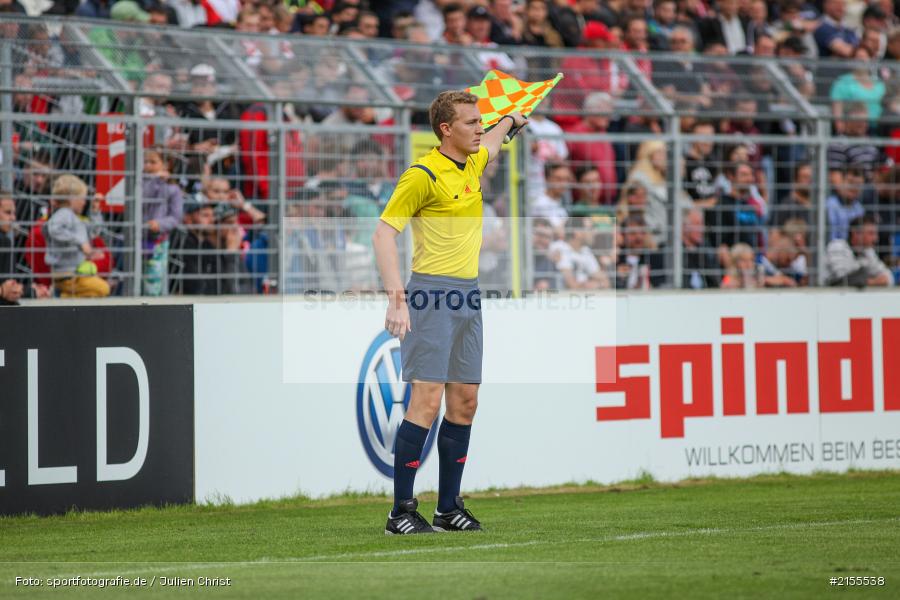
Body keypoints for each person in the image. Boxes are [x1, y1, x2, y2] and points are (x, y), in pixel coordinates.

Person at [372, 90, 527, 535]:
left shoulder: (475, 160)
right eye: (471, 123)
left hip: (468, 295)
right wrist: (397, 298)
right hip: (430, 294)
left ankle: (446, 509)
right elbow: (384, 235)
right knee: (426, 400)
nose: (480, 129)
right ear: (446, 129)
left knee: (466, 401)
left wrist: (511, 119)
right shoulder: (421, 174)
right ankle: (401, 510)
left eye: (481, 122)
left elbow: (497, 139)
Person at [44, 175, 110, 298]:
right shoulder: (64, 213)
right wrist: (80, 242)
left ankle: (65, 296)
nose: (84, 203)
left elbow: (93, 232)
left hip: (75, 271)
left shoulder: (74, 218)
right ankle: (65, 296)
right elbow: (54, 228)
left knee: (97, 292)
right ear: (71, 199)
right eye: (82, 199)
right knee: (103, 288)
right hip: (67, 274)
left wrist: (95, 212)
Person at [825, 215, 894, 287]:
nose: (876, 238)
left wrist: (868, 281)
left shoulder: (868, 251)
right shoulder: (837, 247)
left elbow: (889, 277)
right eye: (871, 233)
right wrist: (871, 280)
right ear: (856, 233)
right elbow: (843, 279)